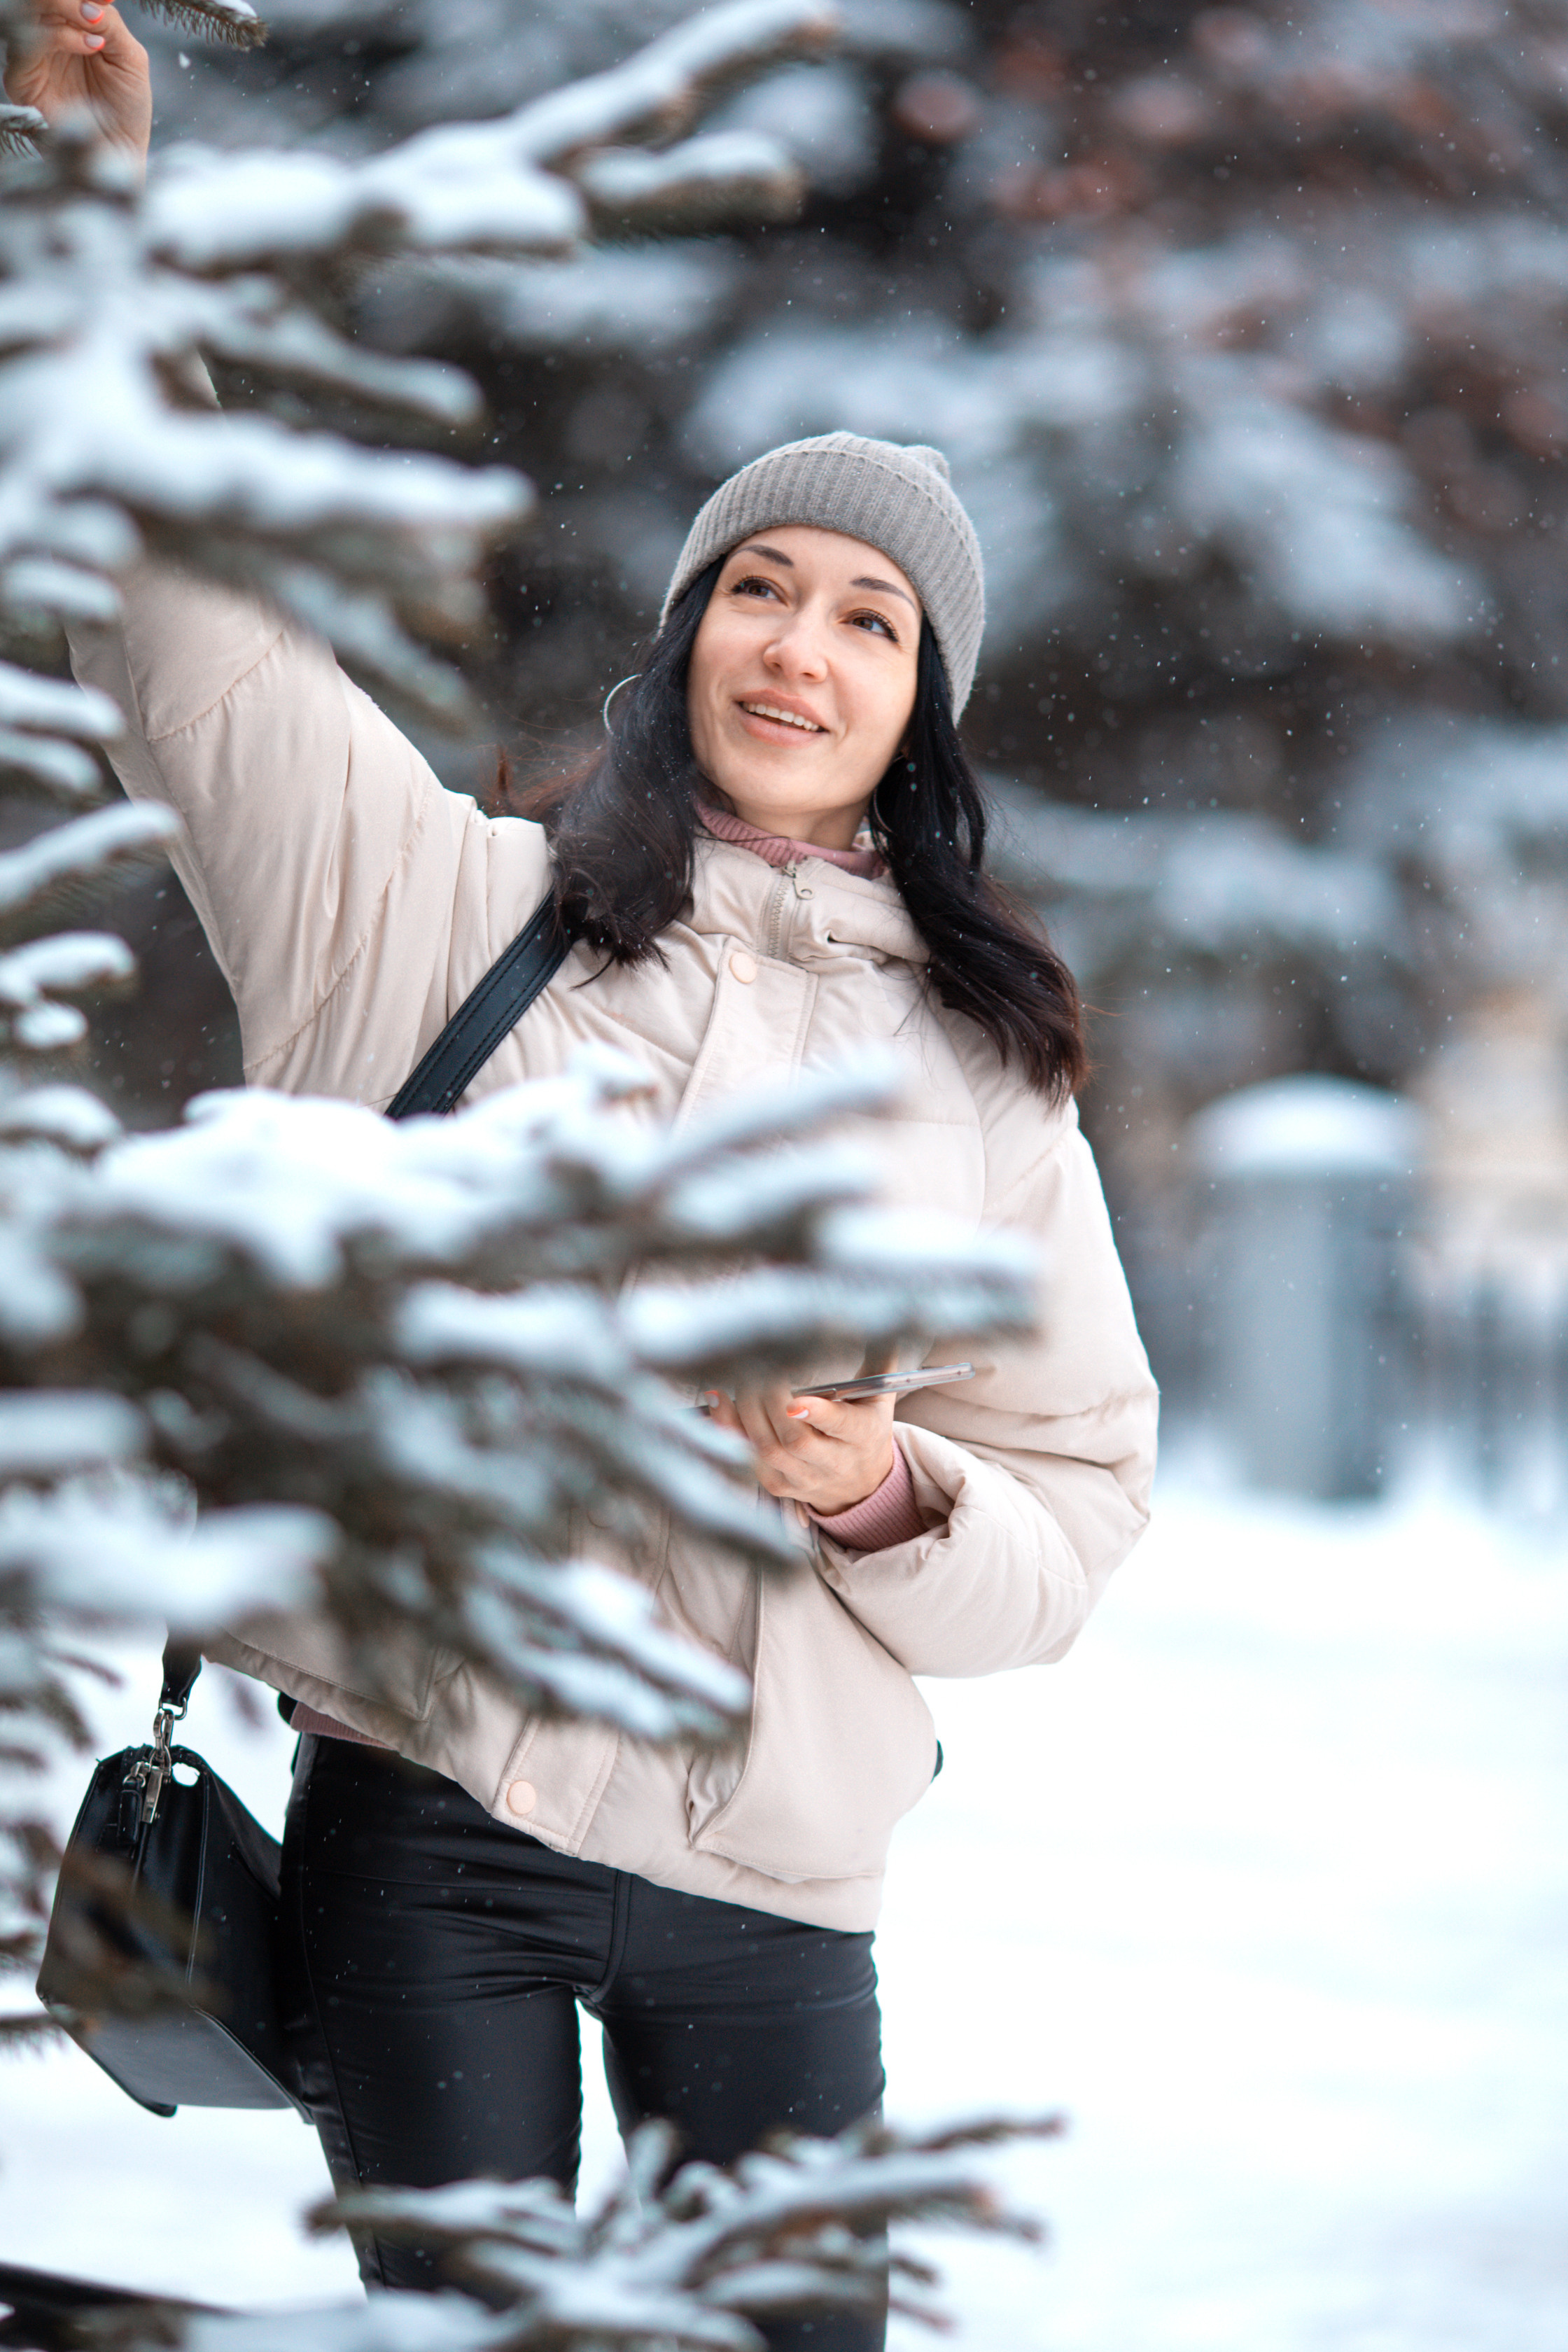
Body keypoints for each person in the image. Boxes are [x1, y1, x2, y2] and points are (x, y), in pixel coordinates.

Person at [18, 11, 1158, 2343]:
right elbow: (189, 623)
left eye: (870, 619)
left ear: (919, 706)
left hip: (780, 1877)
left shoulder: (988, 1066)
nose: (802, 646)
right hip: (436, 1831)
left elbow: (1078, 1511)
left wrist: (885, 1495)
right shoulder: (440, 909)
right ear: (689, 628)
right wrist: (84, 215)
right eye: (763, 587)